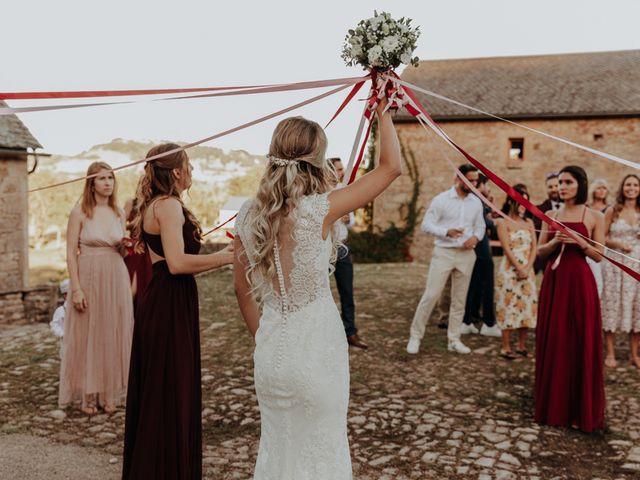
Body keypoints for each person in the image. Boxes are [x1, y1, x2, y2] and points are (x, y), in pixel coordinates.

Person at [233, 97, 401, 479]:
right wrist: (383, 109)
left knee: (279, 451)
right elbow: (391, 167)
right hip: (317, 351)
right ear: (318, 159)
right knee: (321, 450)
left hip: (272, 351)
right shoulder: (321, 208)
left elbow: (242, 294)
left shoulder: (247, 214)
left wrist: (267, 338)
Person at [122, 144, 234, 480]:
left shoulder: (157, 204)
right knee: (170, 390)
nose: (193, 171)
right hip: (168, 300)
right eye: (189, 165)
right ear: (175, 172)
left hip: (166, 299)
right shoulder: (168, 206)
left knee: (163, 388)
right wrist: (225, 257)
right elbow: (178, 262)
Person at [59, 162, 134, 416]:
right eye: (101, 178)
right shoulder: (80, 211)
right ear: (91, 183)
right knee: (88, 332)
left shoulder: (118, 212)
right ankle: (88, 394)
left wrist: (125, 244)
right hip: (89, 273)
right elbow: (70, 252)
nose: (107, 183)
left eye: (110, 177)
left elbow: (122, 252)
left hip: (115, 273)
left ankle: (107, 392)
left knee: (111, 330)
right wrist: (76, 288)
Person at [535, 165, 605, 432]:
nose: (562, 186)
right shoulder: (550, 214)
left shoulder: (595, 215)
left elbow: (599, 255)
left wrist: (580, 242)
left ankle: (580, 409)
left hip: (580, 281)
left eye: (568, 182)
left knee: (579, 339)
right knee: (556, 339)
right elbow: (540, 252)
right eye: (560, 182)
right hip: (554, 282)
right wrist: (553, 244)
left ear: (581, 185)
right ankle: (554, 406)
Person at [406, 164, 486, 355]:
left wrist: (476, 238)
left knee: (459, 300)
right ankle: (415, 337)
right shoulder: (441, 200)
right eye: (471, 180)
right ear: (458, 178)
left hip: (467, 255)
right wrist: (446, 232)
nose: (474, 183)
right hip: (444, 252)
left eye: (476, 180)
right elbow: (426, 225)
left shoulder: (476, 202)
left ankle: (454, 339)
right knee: (431, 295)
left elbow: (480, 227)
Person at [601, 174, 640, 368]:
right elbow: (601, 237)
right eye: (628, 184)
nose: (631, 188)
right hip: (616, 264)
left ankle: (634, 354)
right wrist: (617, 243)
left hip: (638, 265)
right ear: (622, 188)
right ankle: (610, 352)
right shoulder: (612, 211)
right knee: (612, 305)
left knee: (637, 308)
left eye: (635, 185)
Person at [328, 157, 368, 350]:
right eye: (339, 169)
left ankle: (350, 332)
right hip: (325, 249)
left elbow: (351, 222)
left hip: (343, 249)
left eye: (342, 168)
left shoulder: (345, 191)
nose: (342, 172)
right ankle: (327, 334)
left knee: (347, 292)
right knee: (322, 294)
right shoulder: (320, 193)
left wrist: (347, 219)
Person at [495, 185, 537, 359]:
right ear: (511, 201)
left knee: (526, 306)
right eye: (520, 201)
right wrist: (518, 267)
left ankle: (521, 345)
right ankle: (506, 347)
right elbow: (506, 248)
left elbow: (534, 247)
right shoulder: (503, 222)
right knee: (508, 305)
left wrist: (527, 267)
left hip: (528, 269)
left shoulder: (529, 223)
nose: (523, 205)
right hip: (509, 270)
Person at [461, 174, 501, 337]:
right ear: (481, 185)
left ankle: (467, 321)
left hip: (476, 247)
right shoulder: (476, 199)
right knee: (487, 284)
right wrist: (495, 223)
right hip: (481, 247)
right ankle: (489, 323)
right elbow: (481, 222)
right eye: (486, 185)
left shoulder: (472, 199)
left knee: (474, 284)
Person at [123, 196, 153, 309]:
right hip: (133, 245)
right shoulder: (131, 203)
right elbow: (121, 224)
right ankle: (127, 309)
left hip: (147, 246)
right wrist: (133, 225)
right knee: (132, 287)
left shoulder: (155, 203)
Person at [533, 172, 562, 273]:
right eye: (550, 187)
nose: (553, 189)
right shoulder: (539, 210)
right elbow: (537, 233)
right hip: (547, 259)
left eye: (556, 186)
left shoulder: (573, 209)